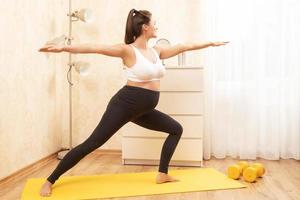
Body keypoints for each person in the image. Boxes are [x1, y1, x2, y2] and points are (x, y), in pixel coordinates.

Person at [38, 8, 229, 197]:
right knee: (92, 143)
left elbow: (184, 45)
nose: (156, 27)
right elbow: (96, 47)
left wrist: (210, 43)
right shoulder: (127, 50)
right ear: (145, 27)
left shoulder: (157, 51)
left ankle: (162, 174)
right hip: (124, 105)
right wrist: (64, 48)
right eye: (154, 23)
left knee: (176, 129)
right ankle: (50, 180)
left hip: (144, 110)